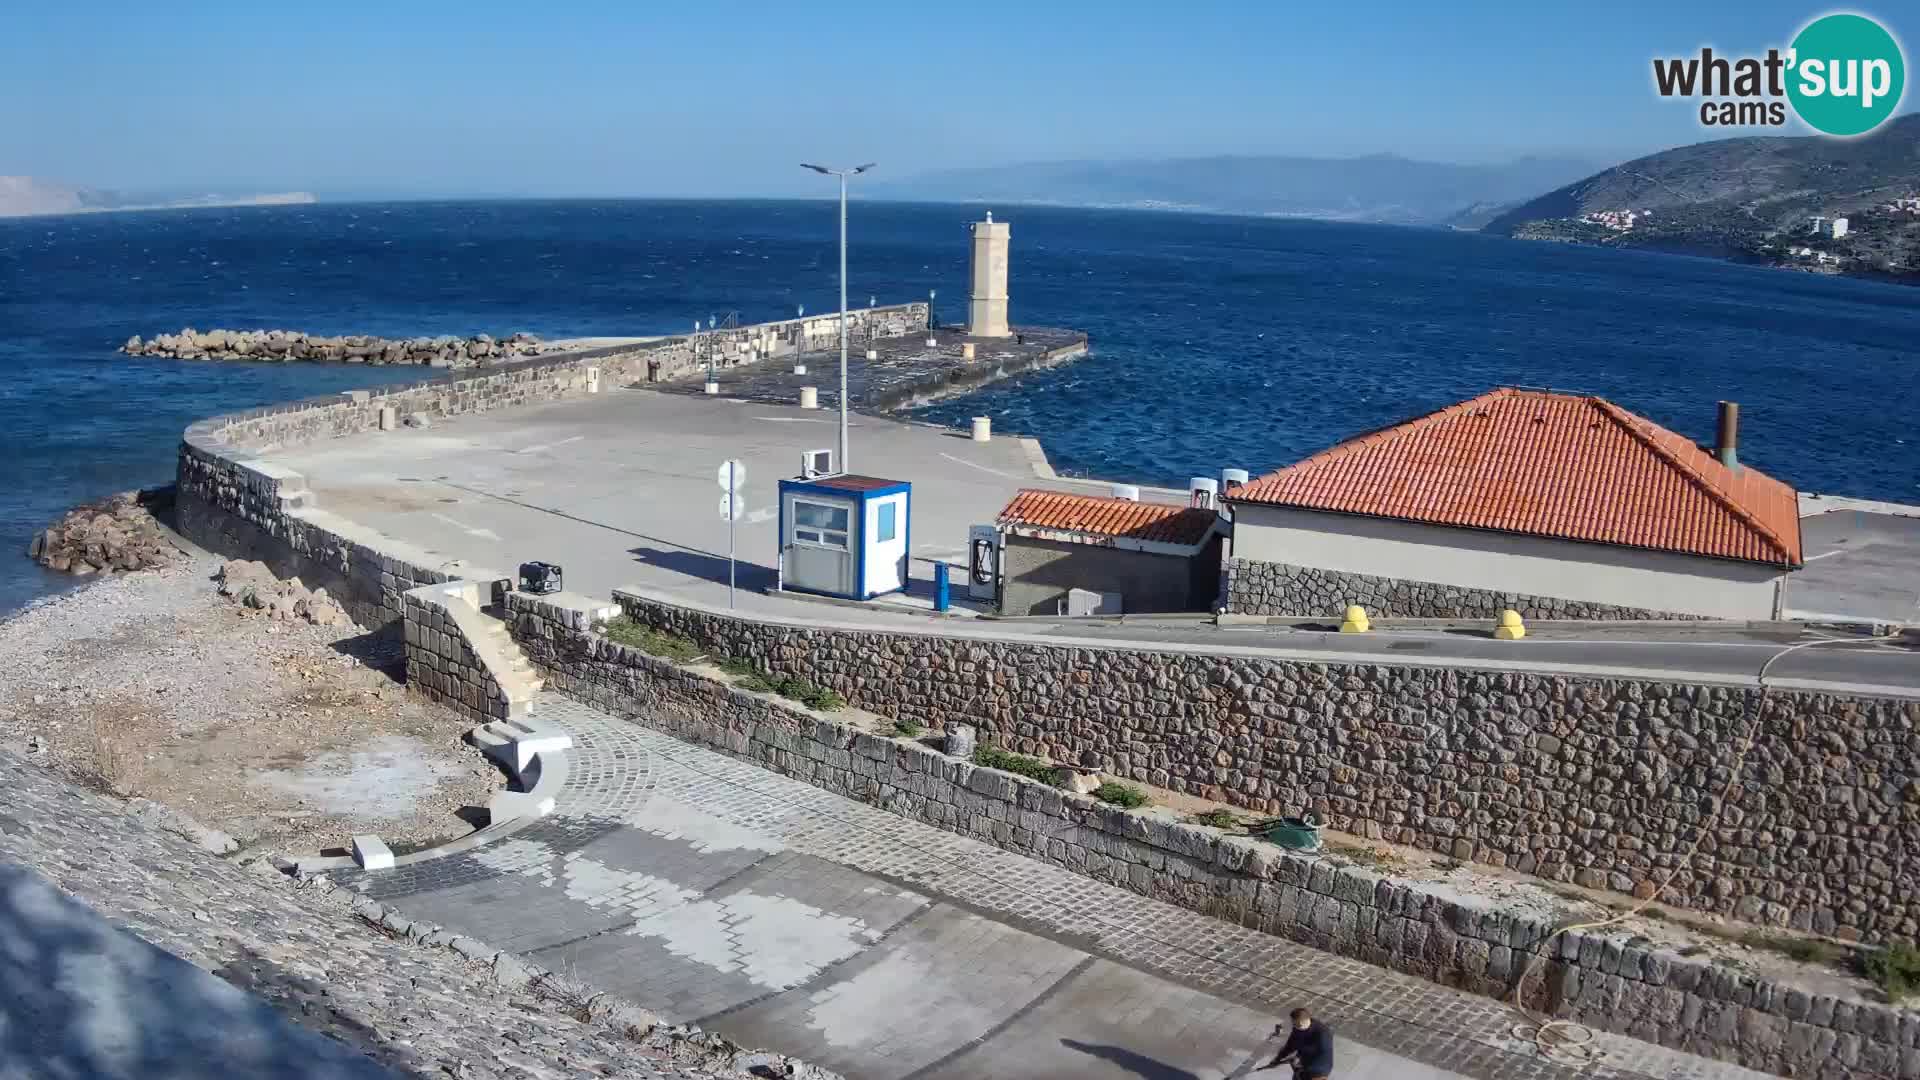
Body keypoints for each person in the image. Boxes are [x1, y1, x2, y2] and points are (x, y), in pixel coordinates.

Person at [1256, 1008, 1333, 1079]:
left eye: (1296, 1024)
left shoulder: (1323, 1033)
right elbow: (1290, 1045)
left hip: (1318, 1070)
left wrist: (1297, 1059)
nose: (1294, 1026)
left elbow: (1322, 1053)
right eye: (1293, 1024)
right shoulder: (1298, 1028)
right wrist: (1278, 1059)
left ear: (1304, 1022)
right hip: (1303, 1065)